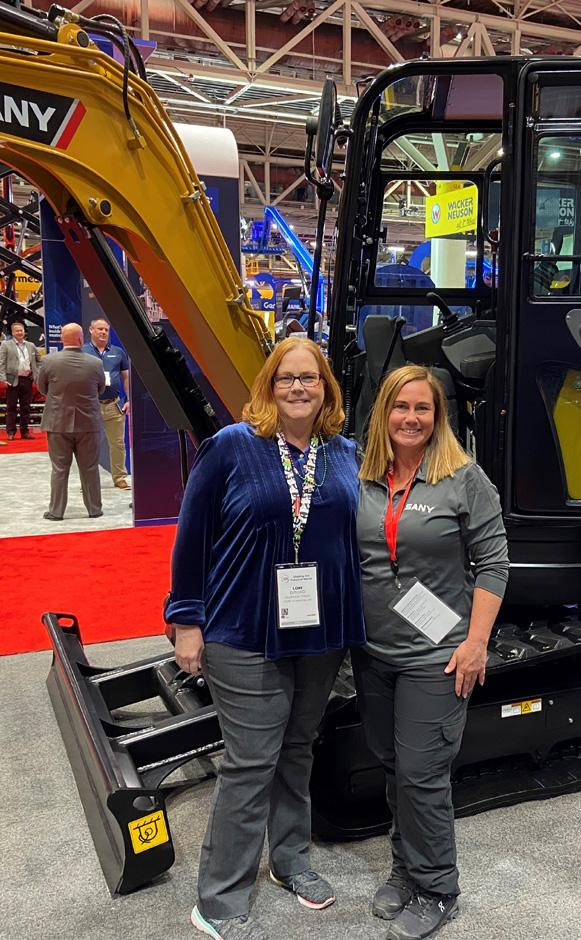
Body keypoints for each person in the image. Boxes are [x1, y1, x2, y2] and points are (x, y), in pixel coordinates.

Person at [165, 336, 365, 940]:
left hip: (320, 631)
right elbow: (192, 535)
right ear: (269, 386)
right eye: (287, 378)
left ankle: (290, 859)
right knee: (251, 761)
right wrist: (186, 619)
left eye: (310, 378)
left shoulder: (344, 453)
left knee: (298, 747)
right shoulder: (230, 447)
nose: (299, 387)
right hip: (242, 628)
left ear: (326, 388)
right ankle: (219, 898)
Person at [354, 364, 509, 940]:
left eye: (423, 408)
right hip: (374, 652)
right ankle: (405, 869)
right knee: (394, 766)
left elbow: (494, 563)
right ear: (383, 414)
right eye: (401, 407)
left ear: (438, 416)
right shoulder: (364, 476)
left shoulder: (463, 478)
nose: (411, 418)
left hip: (437, 655)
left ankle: (438, 888)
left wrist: (476, 644)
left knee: (422, 773)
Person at [38, 323, 105, 521]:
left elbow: (42, 388)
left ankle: (56, 511)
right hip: (88, 423)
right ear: (81, 339)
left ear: (62, 338)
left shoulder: (48, 361)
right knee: (90, 468)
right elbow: (101, 389)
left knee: (59, 469)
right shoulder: (95, 363)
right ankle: (94, 509)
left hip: (57, 423)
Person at [83, 317, 130, 489]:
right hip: (90, 406)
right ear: (91, 330)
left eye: (106, 330)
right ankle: (88, 479)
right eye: (100, 329)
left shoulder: (118, 352)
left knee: (118, 444)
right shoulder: (83, 351)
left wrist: (129, 400)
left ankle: (119, 477)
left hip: (113, 405)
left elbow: (126, 378)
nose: (103, 332)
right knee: (88, 444)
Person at [0, 320, 40, 440]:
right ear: (12, 333)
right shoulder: (6, 345)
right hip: (11, 378)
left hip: (27, 379)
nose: (19, 332)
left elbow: (39, 360)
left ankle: (25, 431)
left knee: (26, 407)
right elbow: (1, 363)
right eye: (17, 331)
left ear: (24, 332)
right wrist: (3, 378)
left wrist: (37, 373)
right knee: (11, 407)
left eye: (21, 330)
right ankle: (11, 432)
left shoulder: (31, 345)